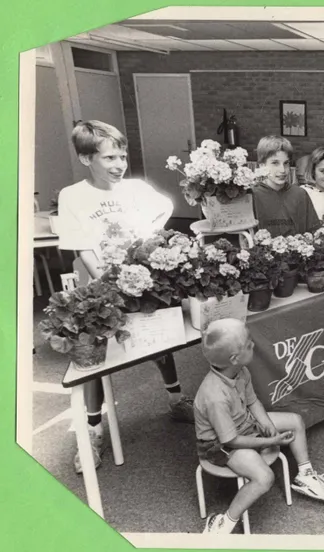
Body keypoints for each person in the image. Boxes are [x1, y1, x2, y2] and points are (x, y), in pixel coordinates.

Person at [57, 120, 194, 474]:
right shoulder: (74, 196)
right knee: (94, 360)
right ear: (87, 159)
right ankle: (92, 430)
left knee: (158, 337)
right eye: (109, 158)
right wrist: (107, 279)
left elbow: (165, 206)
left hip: (139, 277)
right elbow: (83, 245)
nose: (119, 164)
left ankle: (176, 399)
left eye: (122, 156)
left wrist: (147, 239)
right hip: (97, 285)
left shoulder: (134, 189)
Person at [196, 318, 324, 534]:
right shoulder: (214, 396)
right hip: (220, 445)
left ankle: (305, 475)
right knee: (264, 478)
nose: (253, 344)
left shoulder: (240, 371)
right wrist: (271, 440)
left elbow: (252, 402)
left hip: (243, 424)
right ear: (234, 358)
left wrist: (266, 423)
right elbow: (230, 440)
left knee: (295, 421)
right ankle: (224, 523)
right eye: (249, 343)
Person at [253, 136, 321, 237]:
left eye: (286, 163)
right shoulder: (253, 195)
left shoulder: (300, 194)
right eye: (275, 163)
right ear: (262, 165)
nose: (282, 170)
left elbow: (313, 231)